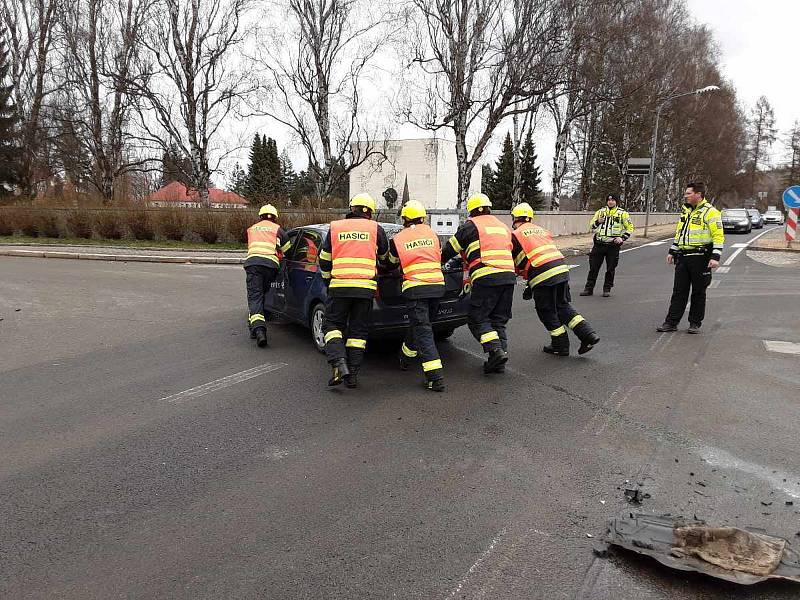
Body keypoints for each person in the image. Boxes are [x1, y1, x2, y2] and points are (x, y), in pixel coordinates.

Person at [318, 193, 390, 388]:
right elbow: (385, 258)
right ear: (370, 212)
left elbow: (324, 260)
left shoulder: (335, 228)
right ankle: (353, 375)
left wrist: (328, 282)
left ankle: (339, 363)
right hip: (365, 289)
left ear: (352, 209)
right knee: (358, 331)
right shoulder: (376, 229)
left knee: (332, 326)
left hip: (339, 287)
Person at [511, 203, 600, 356]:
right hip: (561, 269)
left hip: (542, 274)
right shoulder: (541, 230)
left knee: (546, 310)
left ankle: (560, 345)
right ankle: (588, 335)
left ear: (514, 218)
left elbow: (514, 260)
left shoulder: (516, 234)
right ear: (530, 217)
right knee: (562, 306)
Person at [441, 193, 515, 374]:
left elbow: (449, 250)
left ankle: (495, 350)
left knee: (477, 319)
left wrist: (437, 262)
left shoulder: (470, 226)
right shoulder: (502, 226)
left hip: (486, 276)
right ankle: (498, 360)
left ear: (472, 211)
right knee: (498, 320)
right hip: (508, 277)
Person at [387, 200, 446, 392]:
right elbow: (439, 256)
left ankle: (435, 378)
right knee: (420, 324)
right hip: (437, 287)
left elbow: (391, 263)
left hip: (415, 288)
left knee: (423, 331)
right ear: (423, 217)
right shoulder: (433, 234)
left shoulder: (399, 238)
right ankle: (405, 357)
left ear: (404, 218)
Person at [657, 182, 724, 334]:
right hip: (683, 257)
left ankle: (695, 323)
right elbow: (680, 233)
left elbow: (718, 235)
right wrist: (672, 251)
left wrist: (715, 256)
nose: (685, 196)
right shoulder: (686, 211)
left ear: (698, 194)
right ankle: (671, 322)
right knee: (678, 291)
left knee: (698, 292)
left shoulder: (711, 212)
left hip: (701, 258)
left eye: (688, 193)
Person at [244, 204, 292, 347]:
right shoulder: (278, 230)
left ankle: (258, 330)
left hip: (253, 264)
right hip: (271, 266)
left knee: (255, 296)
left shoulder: (252, 229)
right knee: (262, 294)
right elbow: (287, 250)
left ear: (260, 216)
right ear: (275, 217)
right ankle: (257, 322)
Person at [581, 193, 634, 297]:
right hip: (599, 244)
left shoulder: (622, 214)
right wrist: (598, 221)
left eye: (613, 200)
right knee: (593, 268)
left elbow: (630, 228)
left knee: (610, 268)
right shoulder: (600, 212)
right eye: (609, 200)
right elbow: (591, 226)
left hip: (613, 245)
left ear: (616, 202)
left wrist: (622, 238)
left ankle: (607, 289)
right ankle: (588, 289)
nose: (610, 202)